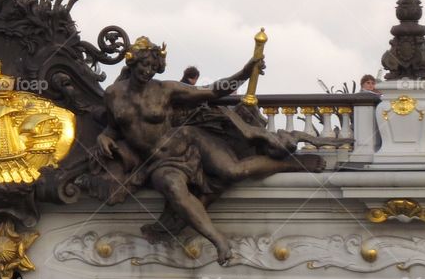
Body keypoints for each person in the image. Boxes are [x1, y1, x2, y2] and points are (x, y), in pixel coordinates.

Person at [96, 37, 322, 265]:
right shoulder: (113, 94)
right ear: (132, 62)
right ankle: (218, 240)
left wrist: (244, 73)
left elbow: (212, 92)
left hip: (186, 141)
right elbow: (114, 127)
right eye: (144, 65)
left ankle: (293, 164)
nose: (147, 71)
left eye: (153, 67)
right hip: (158, 163)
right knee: (174, 188)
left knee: (233, 171)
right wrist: (103, 137)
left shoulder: (165, 89)